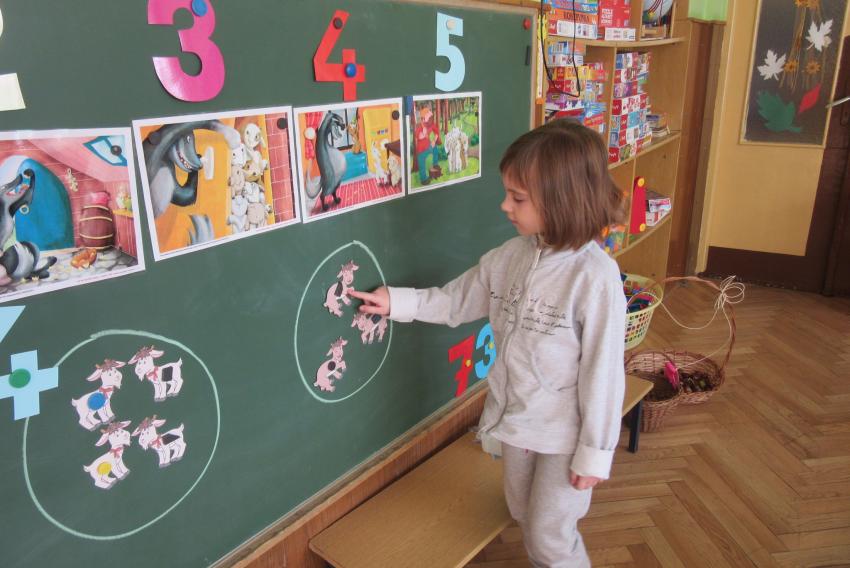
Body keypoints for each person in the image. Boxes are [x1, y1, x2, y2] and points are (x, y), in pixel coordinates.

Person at [350, 119, 626, 567]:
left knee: (550, 536)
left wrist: (594, 452)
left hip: (565, 435)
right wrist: (397, 301)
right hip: (515, 423)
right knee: (522, 512)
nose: (504, 206)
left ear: (561, 200)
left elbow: (605, 374)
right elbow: (455, 300)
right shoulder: (509, 257)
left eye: (518, 198)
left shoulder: (594, 278)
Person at [414, 103, 441, 185]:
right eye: (429, 118)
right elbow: (417, 136)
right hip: (421, 149)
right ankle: (424, 179)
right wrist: (423, 134)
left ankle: (435, 164)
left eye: (431, 118)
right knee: (421, 163)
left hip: (429, 145)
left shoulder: (431, 124)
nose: (431, 120)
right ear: (424, 119)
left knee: (435, 149)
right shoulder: (419, 126)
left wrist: (434, 141)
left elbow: (437, 132)